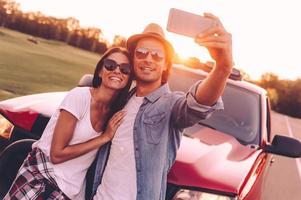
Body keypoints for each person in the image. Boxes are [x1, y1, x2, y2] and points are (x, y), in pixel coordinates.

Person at [91, 13, 233, 200]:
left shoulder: (171, 104)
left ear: (166, 64)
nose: (148, 59)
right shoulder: (122, 100)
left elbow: (196, 105)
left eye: (157, 55)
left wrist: (223, 67)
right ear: (133, 61)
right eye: (141, 53)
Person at [4, 47, 134, 200]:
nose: (117, 71)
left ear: (128, 79)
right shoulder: (79, 97)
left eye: (125, 69)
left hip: (71, 191)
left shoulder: (117, 112)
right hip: (42, 180)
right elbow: (56, 154)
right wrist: (103, 138)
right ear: (100, 71)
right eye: (111, 65)